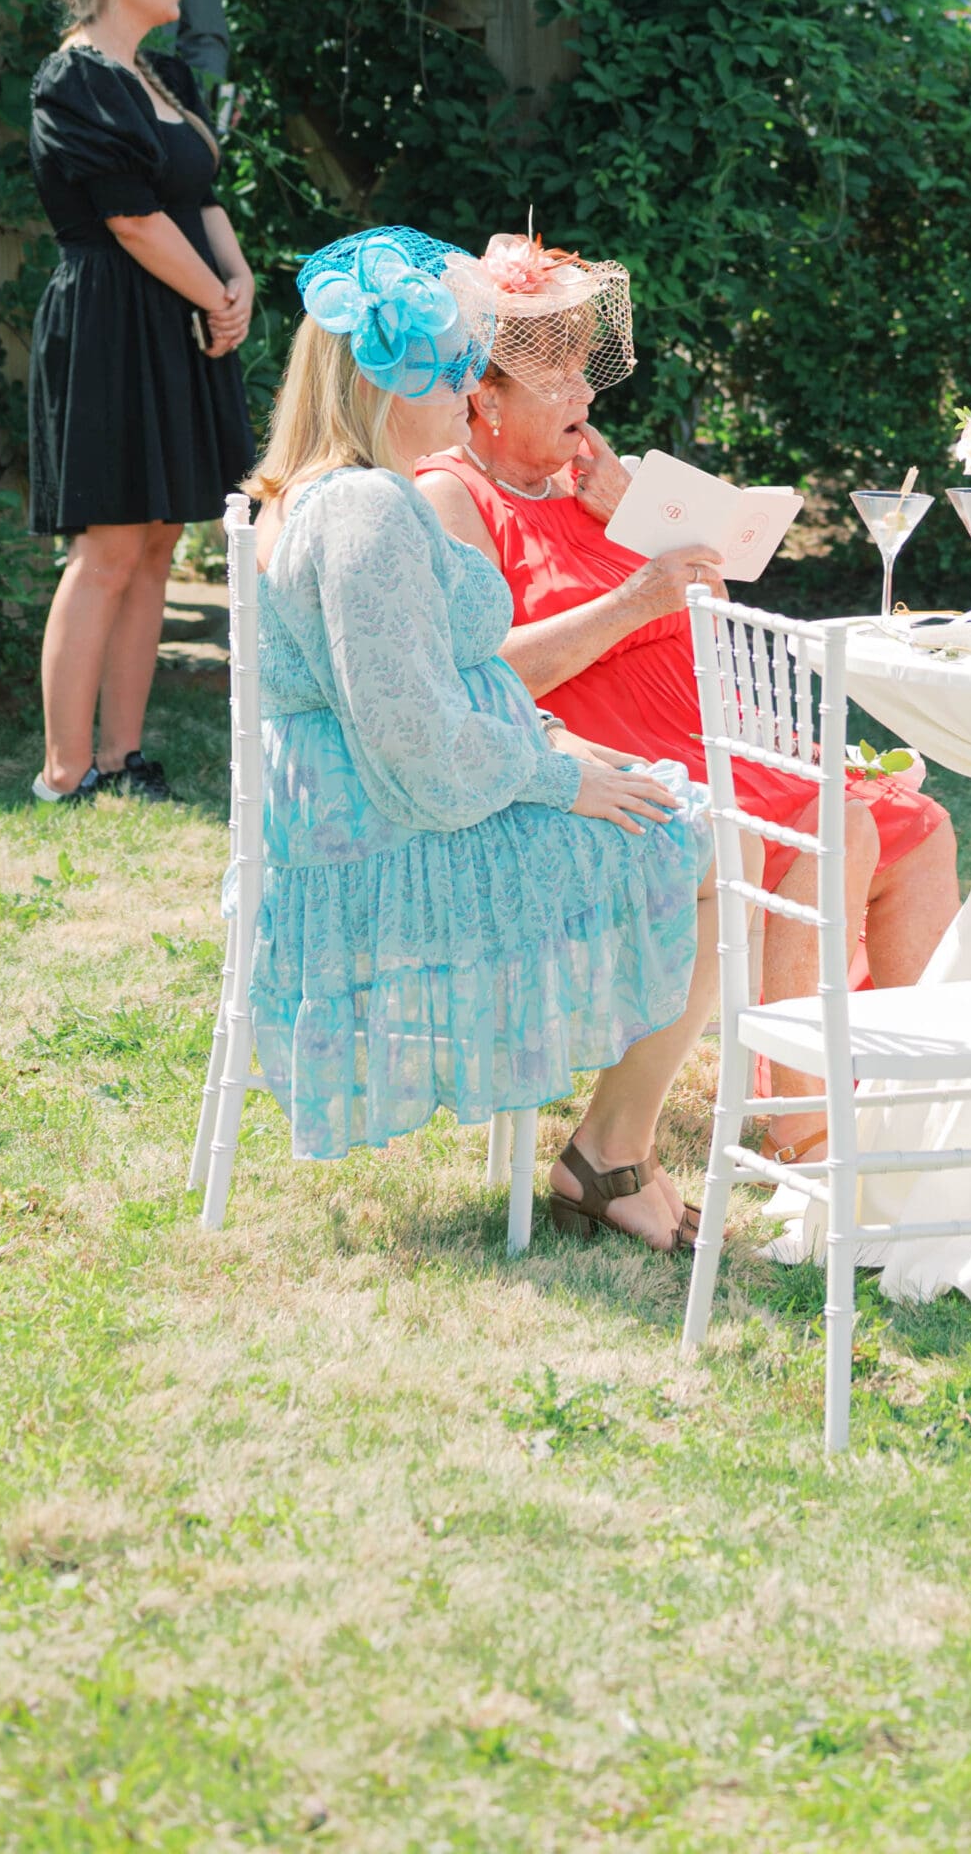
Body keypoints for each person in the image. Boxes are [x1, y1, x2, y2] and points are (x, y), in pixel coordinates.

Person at [416, 236, 960, 1161]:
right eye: (558, 378)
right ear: (485, 396)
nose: (587, 398)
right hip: (608, 755)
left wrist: (634, 511)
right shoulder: (451, 496)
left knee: (923, 824)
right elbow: (477, 677)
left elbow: (711, 597)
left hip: (714, 731)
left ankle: (918, 1104)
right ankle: (809, 1134)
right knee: (837, 828)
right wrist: (632, 597)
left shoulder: (592, 478)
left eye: (587, 373)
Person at [247, 228, 718, 1251]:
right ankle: (611, 1155)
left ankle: (612, 1148)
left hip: (406, 810)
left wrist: (555, 745)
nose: (467, 396)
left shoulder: (347, 499)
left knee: (685, 814)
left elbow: (434, 691)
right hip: (398, 844)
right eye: (454, 371)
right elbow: (414, 744)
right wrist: (558, 779)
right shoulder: (367, 510)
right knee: (709, 846)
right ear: (385, 386)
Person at [26, 0, 254, 806]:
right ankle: (62, 771)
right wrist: (213, 298)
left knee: (159, 540)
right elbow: (129, 219)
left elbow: (199, 199)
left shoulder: (166, 80)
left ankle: (120, 760)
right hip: (115, 324)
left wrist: (237, 287)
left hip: (184, 321)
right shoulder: (72, 83)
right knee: (110, 544)